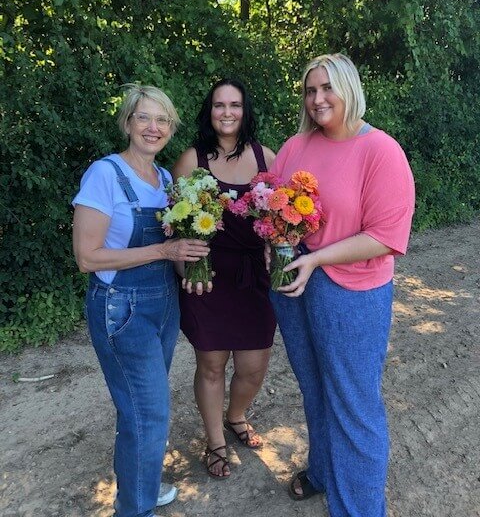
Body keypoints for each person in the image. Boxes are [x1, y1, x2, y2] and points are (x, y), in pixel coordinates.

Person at [268, 54, 415, 517]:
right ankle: (323, 471)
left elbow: (385, 237)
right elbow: (275, 206)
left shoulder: (381, 150)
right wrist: (277, 241)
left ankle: (359, 509)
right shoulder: (296, 146)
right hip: (295, 283)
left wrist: (316, 258)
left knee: (353, 402)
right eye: (310, 90)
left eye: (327, 88)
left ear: (349, 88)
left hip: (351, 291)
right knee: (314, 386)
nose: (317, 99)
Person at [72, 84, 210, 517]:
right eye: (144, 118)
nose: (154, 128)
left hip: (163, 305)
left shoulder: (166, 179)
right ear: (128, 123)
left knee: (140, 411)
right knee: (148, 415)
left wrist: (192, 265)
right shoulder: (105, 174)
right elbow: (86, 257)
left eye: (162, 120)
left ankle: (141, 490)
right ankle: (136, 509)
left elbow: (175, 249)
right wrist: (164, 251)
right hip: (122, 308)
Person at [173, 78, 276, 479]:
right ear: (210, 111)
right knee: (212, 365)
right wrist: (186, 270)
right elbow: (176, 226)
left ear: (245, 111)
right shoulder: (190, 160)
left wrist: (278, 245)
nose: (227, 112)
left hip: (253, 280)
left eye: (235, 105)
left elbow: (281, 221)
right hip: (208, 278)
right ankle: (215, 439)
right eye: (219, 105)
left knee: (252, 368)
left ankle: (237, 415)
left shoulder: (266, 157)